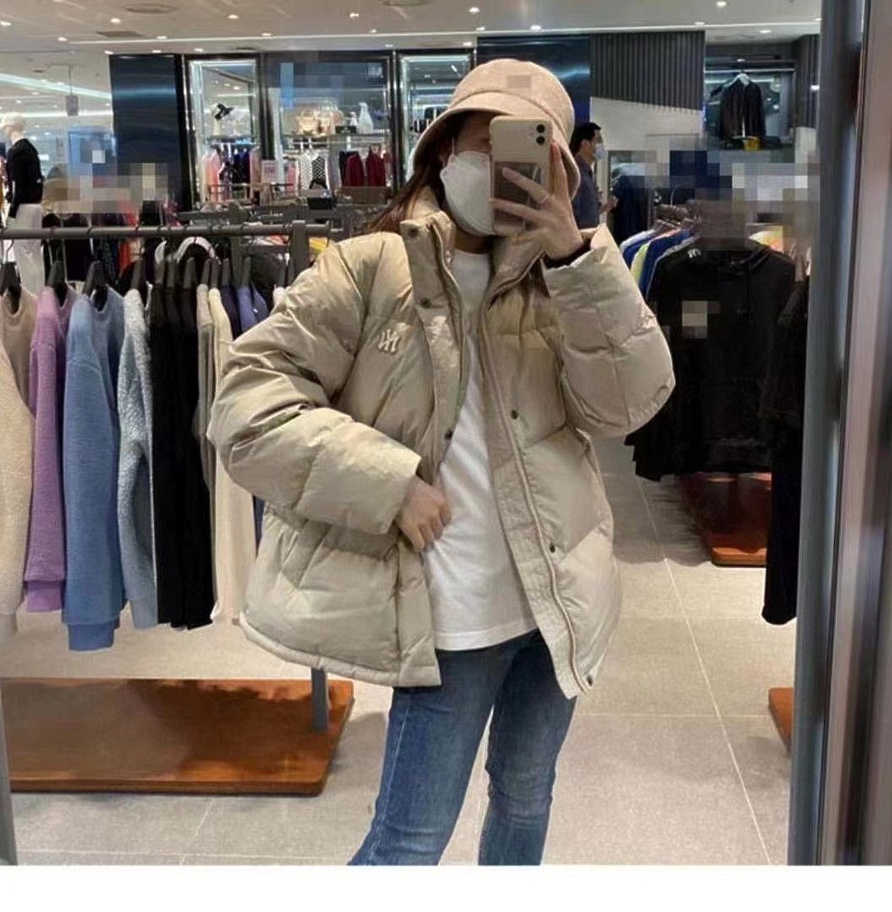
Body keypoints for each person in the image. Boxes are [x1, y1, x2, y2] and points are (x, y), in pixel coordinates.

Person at [208, 59, 674, 866]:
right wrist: (387, 483)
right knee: (409, 842)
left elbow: (627, 407)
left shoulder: (565, 278)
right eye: (483, 142)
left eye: (527, 151)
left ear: (559, 173)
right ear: (444, 149)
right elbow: (245, 406)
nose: (499, 165)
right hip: (449, 621)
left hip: (559, 604)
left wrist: (575, 256)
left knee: (526, 798)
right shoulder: (367, 267)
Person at [569, 120, 613, 229]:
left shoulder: (588, 174)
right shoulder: (575, 173)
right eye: (598, 141)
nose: (602, 146)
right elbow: (572, 215)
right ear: (585, 144)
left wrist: (603, 208)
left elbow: (585, 215)